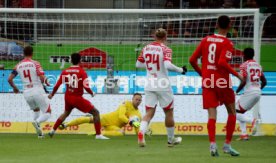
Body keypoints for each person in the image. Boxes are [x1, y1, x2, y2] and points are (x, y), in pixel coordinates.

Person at [189, 15, 244, 157]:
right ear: (230, 26)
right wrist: (238, 75)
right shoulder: (228, 43)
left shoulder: (205, 40)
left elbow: (192, 60)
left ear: (216, 24)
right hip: (222, 81)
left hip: (208, 80)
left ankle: (212, 145)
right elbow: (222, 63)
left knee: (211, 115)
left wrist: (203, 74)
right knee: (232, 112)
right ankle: (227, 145)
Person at [136, 28, 187, 147]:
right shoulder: (166, 49)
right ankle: (170, 140)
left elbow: (138, 64)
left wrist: (150, 65)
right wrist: (181, 70)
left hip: (149, 83)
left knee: (149, 112)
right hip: (162, 83)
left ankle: (141, 133)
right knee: (169, 112)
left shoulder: (146, 48)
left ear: (154, 36)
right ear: (165, 37)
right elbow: (168, 65)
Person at [48, 53, 108, 140]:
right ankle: (98, 134)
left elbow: (57, 85)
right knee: (96, 113)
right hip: (77, 98)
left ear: (71, 60)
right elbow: (86, 86)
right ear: (80, 61)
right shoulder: (82, 72)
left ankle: (52, 130)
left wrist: (52, 94)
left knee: (65, 113)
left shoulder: (65, 71)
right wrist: (91, 93)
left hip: (68, 96)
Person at [8, 46, 51, 138]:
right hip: (37, 90)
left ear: (23, 54)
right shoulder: (35, 63)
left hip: (26, 93)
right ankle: (37, 122)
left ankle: (39, 134)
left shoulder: (18, 65)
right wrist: (46, 82)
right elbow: (41, 77)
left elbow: (9, 79)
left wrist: (15, 88)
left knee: (36, 110)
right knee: (48, 112)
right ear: (32, 53)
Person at [59, 93, 144, 136]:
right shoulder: (125, 103)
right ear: (132, 99)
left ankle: (98, 133)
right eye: (136, 99)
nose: (138, 101)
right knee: (88, 119)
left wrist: (141, 132)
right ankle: (66, 125)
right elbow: (121, 116)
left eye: (139, 100)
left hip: (113, 126)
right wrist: (131, 122)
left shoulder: (138, 114)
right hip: (106, 119)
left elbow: (137, 129)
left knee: (121, 133)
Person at [235, 48, 267, 140]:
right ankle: (244, 134)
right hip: (258, 92)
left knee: (233, 112)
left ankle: (252, 120)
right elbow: (264, 82)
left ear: (244, 55)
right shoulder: (258, 66)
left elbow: (244, 81)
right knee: (240, 112)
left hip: (250, 92)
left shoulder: (244, 65)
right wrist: (257, 89)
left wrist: (236, 91)